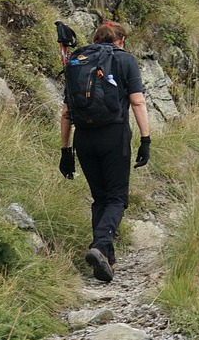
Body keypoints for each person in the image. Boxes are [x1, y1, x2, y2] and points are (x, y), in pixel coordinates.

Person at [57, 21, 150, 283]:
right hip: (114, 135)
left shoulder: (78, 61)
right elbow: (137, 101)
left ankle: (106, 259)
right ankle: (99, 245)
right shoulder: (125, 60)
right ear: (121, 39)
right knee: (117, 198)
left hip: (84, 138)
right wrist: (146, 139)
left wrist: (66, 150)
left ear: (95, 39)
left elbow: (66, 111)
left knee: (100, 198)